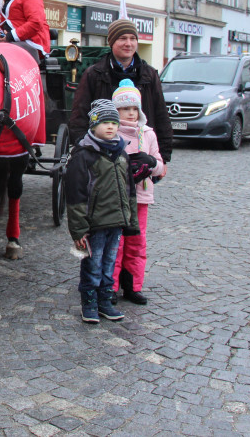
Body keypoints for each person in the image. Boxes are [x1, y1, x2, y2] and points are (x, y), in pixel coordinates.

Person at [65, 100, 138, 324]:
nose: (110, 127)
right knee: (92, 265)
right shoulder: (84, 155)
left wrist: (131, 220)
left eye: (113, 123)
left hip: (115, 221)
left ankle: (106, 302)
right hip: (94, 224)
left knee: (108, 264)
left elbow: (129, 191)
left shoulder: (121, 153)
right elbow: (76, 196)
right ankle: (89, 303)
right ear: (94, 124)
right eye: (104, 122)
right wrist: (78, 230)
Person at [68, 18, 173, 167]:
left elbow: (161, 115)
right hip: (103, 153)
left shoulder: (149, 74)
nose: (128, 44)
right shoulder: (94, 74)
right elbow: (79, 115)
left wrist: (163, 158)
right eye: (122, 38)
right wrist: (86, 149)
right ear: (112, 42)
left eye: (132, 39)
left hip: (141, 153)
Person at [110, 79, 164, 306]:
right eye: (125, 108)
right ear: (116, 110)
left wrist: (151, 162)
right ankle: (110, 286)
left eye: (134, 108)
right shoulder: (111, 133)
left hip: (141, 199)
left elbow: (160, 167)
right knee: (116, 243)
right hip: (116, 199)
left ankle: (133, 285)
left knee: (136, 242)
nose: (130, 113)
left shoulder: (148, 134)